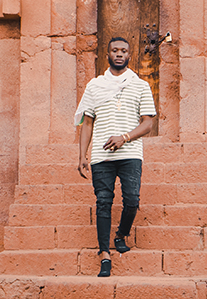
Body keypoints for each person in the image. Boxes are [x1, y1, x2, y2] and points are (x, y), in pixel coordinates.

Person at [75, 36, 156, 278]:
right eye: (114, 50)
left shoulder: (140, 85)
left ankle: (120, 234)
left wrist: (125, 137)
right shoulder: (94, 86)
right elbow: (87, 123)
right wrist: (82, 155)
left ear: (129, 55)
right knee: (103, 202)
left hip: (130, 153)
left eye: (123, 51)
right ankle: (104, 254)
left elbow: (148, 123)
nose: (119, 54)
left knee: (132, 199)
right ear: (107, 54)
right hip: (101, 156)